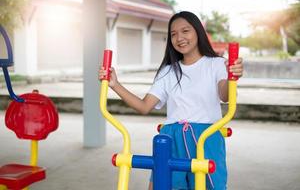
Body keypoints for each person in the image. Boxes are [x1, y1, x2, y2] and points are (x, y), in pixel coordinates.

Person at [99, 11, 243, 190]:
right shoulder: (168, 72)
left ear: (197, 31)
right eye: (173, 34)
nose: (179, 38)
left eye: (185, 31)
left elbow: (225, 95)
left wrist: (232, 77)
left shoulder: (217, 64)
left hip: (206, 137)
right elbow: (144, 107)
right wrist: (115, 84)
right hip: (170, 139)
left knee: (209, 185)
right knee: (162, 185)